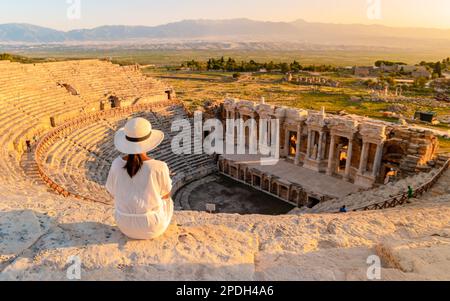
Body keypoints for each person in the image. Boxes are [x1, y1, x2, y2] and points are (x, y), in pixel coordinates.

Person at [106, 117, 173, 240]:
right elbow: (166, 195)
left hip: (124, 224)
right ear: (148, 141)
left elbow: (111, 191)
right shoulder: (159, 166)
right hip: (152, 226)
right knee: (167, 201)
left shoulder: (116, 164)